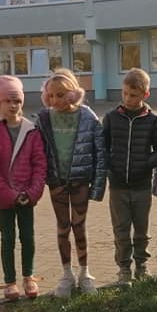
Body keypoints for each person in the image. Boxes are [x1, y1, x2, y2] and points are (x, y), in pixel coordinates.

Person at [36, 68, 107, 298]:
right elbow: (37, 152)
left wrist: (97, 188)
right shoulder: (44, 118)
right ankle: (66, 274)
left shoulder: (87, 116)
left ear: (73, 93)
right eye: (52, 95)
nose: (56, 100)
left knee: (79, 226)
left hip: (80, 181)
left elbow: (100, 153)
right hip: (56, 182)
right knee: (62, 227)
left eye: (61, 95)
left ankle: (85, 273)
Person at [102, 68, 157, 287]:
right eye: (125, 93)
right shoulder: (112, 117)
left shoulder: (154, 121)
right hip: (118, 186)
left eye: (134, 95)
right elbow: (103, 146)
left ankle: (142, 266)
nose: (128, 99)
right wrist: (111, 165)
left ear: (145, 95)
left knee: (141, 230)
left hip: (141, 186)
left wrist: (147, 163)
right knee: (121, 230)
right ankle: (123, 268)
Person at [0, 75, 47, 302]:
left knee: (28, 237)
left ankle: (28, 276)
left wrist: (32, 192)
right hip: (4, 198)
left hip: (27, 197)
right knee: (7, 239)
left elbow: (40, 164)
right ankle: (10, 281)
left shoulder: (32, 131)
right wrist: (9, 194)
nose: (13, 106)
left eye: (17, 101)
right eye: (8, 101)